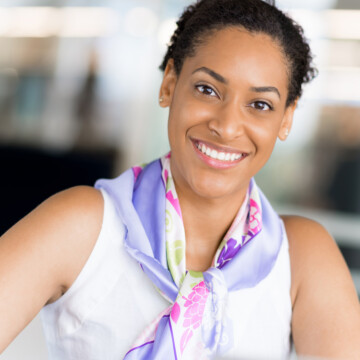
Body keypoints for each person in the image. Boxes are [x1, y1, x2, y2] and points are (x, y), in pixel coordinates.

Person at [1, 0, 359, 358]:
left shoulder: (301, 257)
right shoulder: (82, 225)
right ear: (170, 83)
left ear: (286, 119)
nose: (227, 126)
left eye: (260, 105)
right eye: (207, 89)